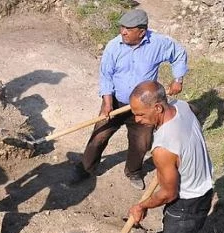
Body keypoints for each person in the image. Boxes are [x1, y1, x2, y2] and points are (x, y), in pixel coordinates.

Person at [69, 8, 188, 190]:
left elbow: (179, 54)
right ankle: (86, 168)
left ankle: (133, 171)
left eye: (128, 29)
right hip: (116, 101)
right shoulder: (113, 46)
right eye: (122, 27)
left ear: (141, 32)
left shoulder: (158, 44)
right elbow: (106, 76)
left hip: (144, 106)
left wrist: (178, 79)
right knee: (99, 136)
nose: (122, 32)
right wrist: (107, 103)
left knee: (142, 142)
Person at [128, 80, 213, 233]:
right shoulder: (181, 106)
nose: (137, 120)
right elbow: (194, 109)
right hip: (206, 188)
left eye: (140, 114)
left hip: (187, 204)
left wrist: (142, 206)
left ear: (158, 107)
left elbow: (168, 194)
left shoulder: (163, 148)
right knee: (178, 231)